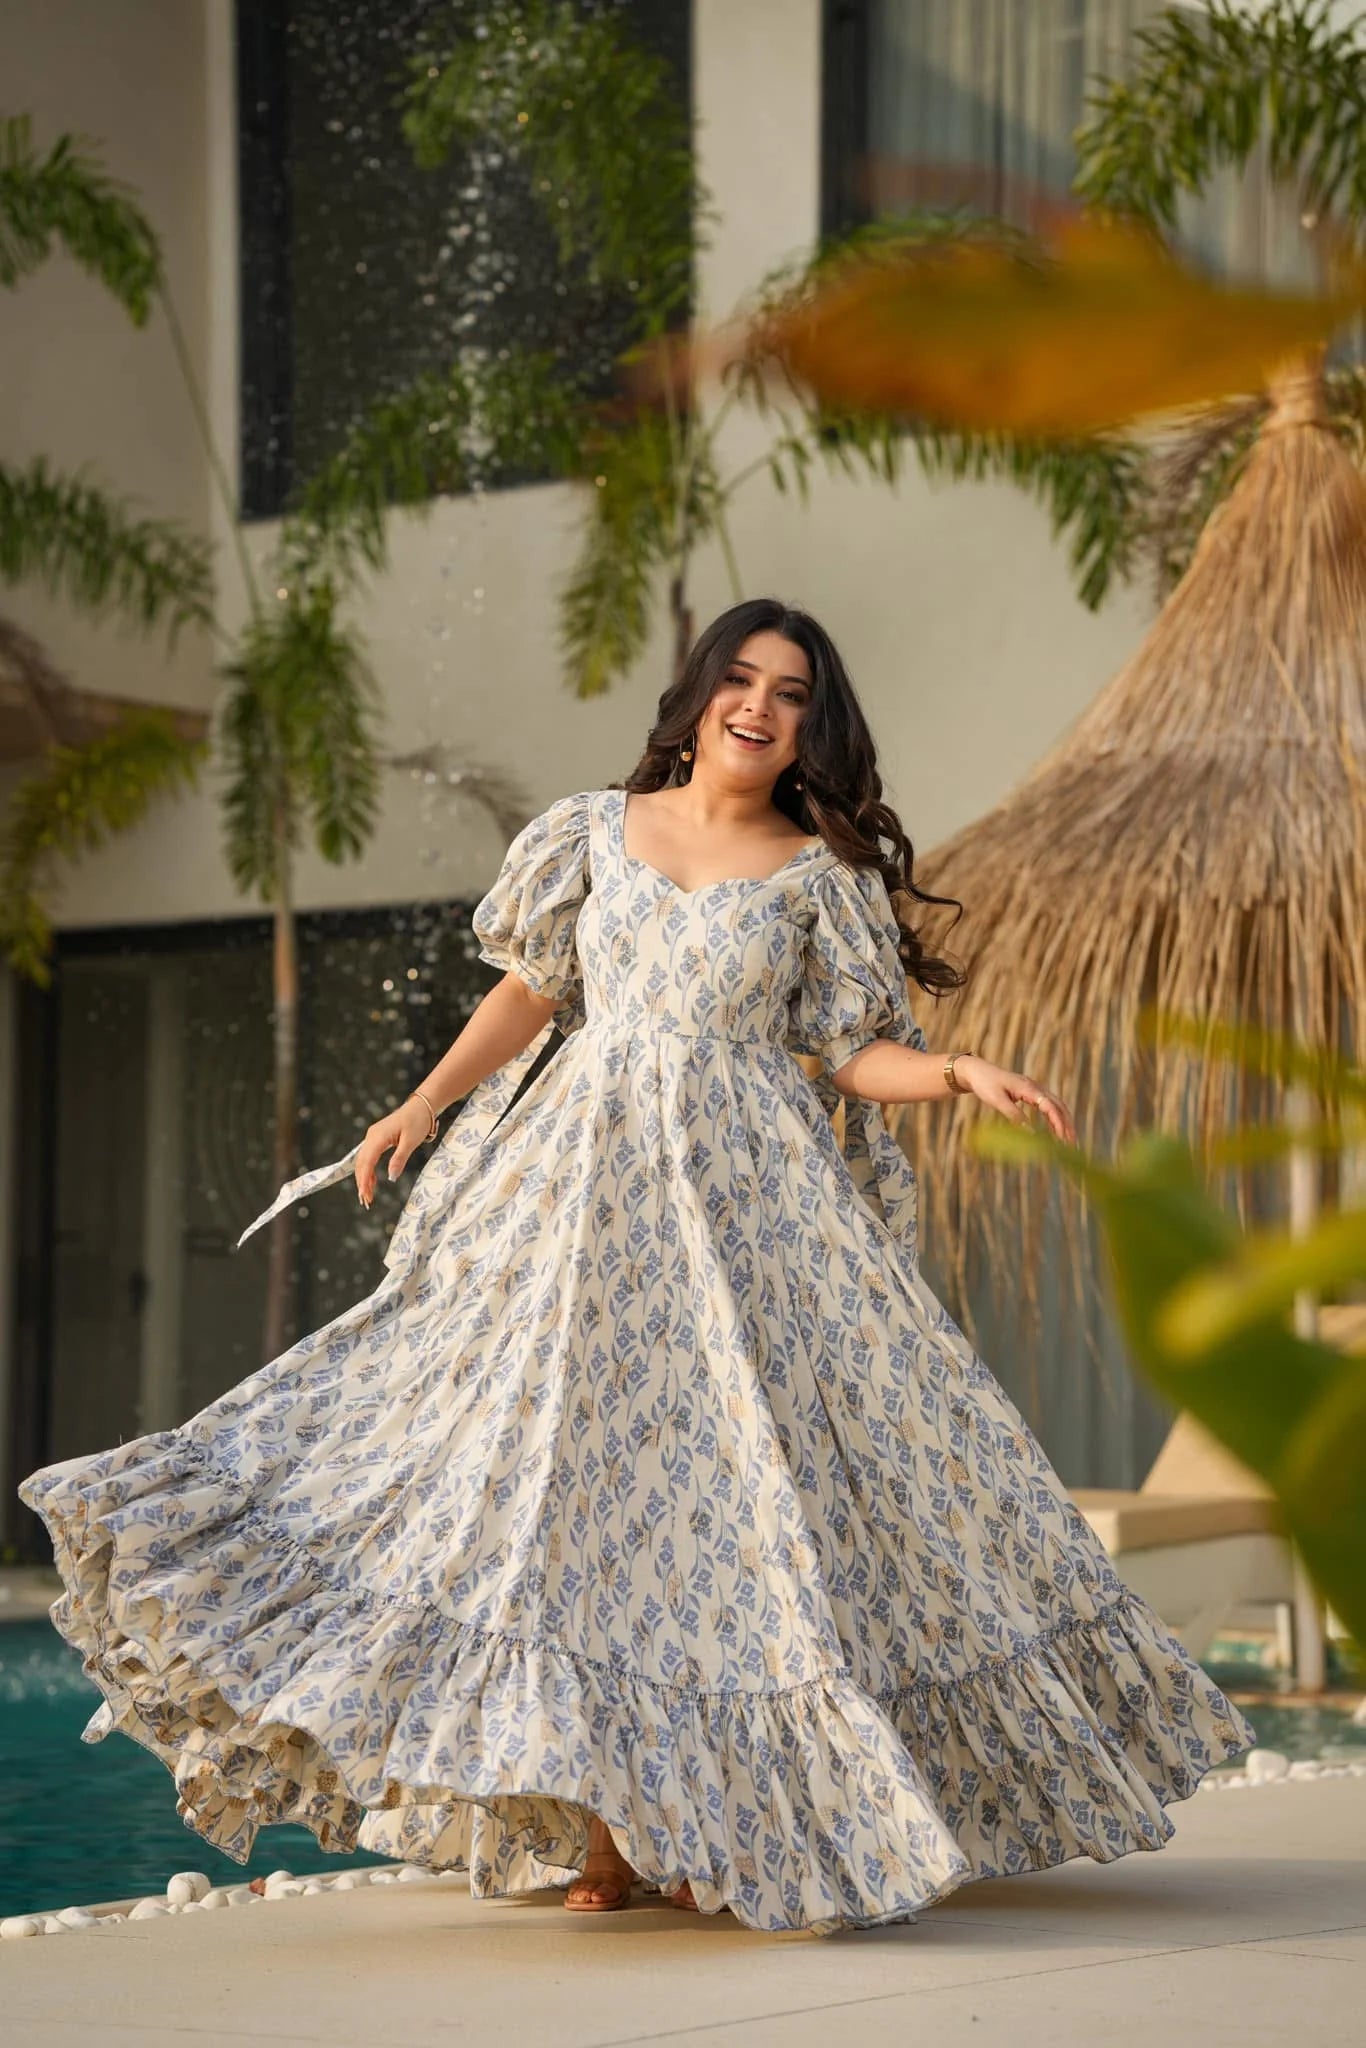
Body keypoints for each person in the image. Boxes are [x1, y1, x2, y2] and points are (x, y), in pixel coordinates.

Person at [18, 597, 1255, 1935]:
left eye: (790, 693)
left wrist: (951, 1069)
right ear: (698, 694)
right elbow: (532, 992)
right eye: (740, 678)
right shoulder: (589, 835)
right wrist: (420, 1104)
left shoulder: (817, 878)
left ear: (809, 727)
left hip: (752, 1227)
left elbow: (847, 1054)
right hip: (576, 1211)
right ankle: (604, 1836)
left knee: (737, 1517)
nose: (760, 705)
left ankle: (738, 1822)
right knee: (564, 1499)